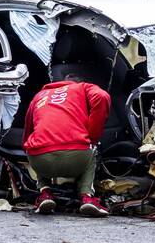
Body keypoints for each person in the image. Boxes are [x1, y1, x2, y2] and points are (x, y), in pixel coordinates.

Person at [22, 71, 111, 217]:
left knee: (34, 144)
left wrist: (28, 148)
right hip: (77, 158)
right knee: (93, 149)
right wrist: (92, 136)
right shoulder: (83, 87)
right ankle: (87, 197)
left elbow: (27, 129)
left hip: (40, 161)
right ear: (78, 82)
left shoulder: (39, 96)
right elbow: (102, 96)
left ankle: (45, 193)